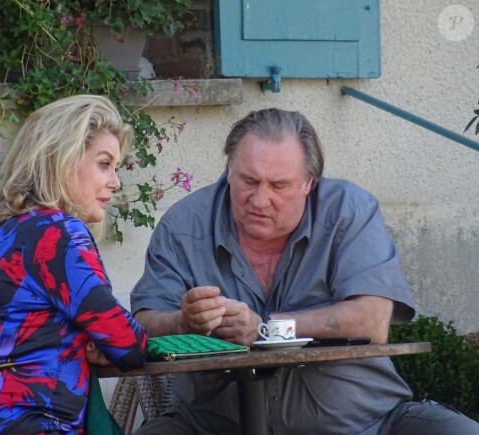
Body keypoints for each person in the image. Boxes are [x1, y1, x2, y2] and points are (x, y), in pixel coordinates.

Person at [130, 109, 479, 434]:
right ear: (228, 169)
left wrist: (264, 330)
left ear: (308, 182)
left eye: (279, 185)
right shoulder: (184, 224)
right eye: (248, 181)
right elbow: (140, 323)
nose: (260, 199)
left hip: (364, 425)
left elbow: (372, 320)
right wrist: (183, 323)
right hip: (211, 426)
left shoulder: (347, 212)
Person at [0, 95, 147, 434]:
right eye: (104, 164)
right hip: (25, 424)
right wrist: (100, 341)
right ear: (62, 159)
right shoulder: (57, 232)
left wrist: (91, 338)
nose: (115, 182)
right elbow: (129, 345)